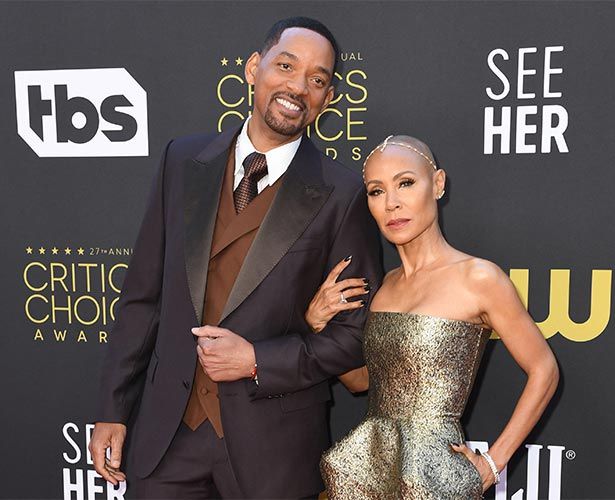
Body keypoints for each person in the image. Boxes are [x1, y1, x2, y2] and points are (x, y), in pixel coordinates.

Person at [88, 17, 383, 499]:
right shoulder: (181, 161)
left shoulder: (343, 193)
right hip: (168, 440)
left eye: (317, 79)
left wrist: (256, 361)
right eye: (286, 66)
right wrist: (112, 410)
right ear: (252, 68)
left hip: (275, 451)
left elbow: (354, 338)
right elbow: (143, 299)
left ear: (328, 98)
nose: (298, 87)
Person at [305, 135, 559, 499]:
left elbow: (544, 370)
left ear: (437, 184)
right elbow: (362, 383)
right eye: (377, 191)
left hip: (433, 479)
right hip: (367, 471)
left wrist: (493, 462)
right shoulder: (383, 287)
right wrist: (320, 329)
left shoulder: (479, 278)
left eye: (406, 183)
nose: (392, 203)